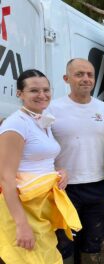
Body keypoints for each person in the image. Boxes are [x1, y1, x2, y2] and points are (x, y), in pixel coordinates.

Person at [0, 69, 81, 264]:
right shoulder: (16, 125)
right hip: (23, 208)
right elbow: (5, 177)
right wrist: (21, 225)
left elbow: (37, 162)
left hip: (40, 206)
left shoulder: (41, 121)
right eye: (34, 90)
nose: (42, 95)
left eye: (46, 89)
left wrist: (59, 173)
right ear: (20, 94)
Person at [48, 58, 104, 264]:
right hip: (62, 189)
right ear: (66, 78)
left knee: (94, 243)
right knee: (64, 245)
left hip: (97, 186)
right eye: (79, 74)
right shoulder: (52, 109)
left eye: (90, 75)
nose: (86, 79)